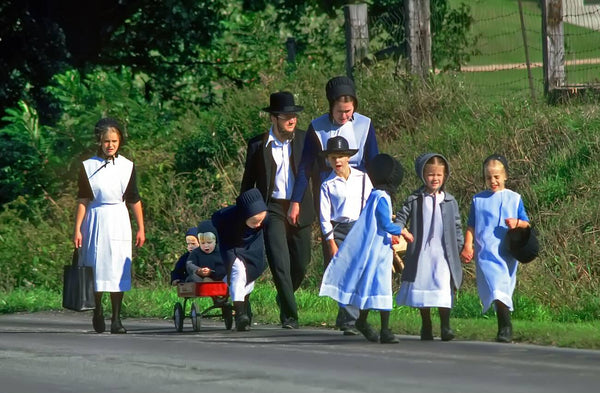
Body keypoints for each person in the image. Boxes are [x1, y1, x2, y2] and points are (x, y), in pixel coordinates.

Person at [288, 75, 379, 334]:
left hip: (360, 195)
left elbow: (373, 161)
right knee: (338, 260)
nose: (344, 116)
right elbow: (305, 166)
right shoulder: (317, 128)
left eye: (349, 111)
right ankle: (349, 316)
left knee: (359, 263)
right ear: (330, 107)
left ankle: (348, 317)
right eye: (340, 111)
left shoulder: (365, 125)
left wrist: (381, 200)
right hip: (331, 197)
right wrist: (296, 201)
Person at [240, 91, 314, 329]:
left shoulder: (305, 140)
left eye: (294, 116)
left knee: (301, 262)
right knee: (280, 263)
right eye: (285, 116)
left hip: (300, 205)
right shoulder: (258, 144)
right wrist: (246, 212)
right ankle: (290, 317)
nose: (291, 120)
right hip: (271, 208)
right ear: (273, 118)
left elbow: (316, 176)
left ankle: (284, 295)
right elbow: (247, 183)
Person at [319, 153, 404, 344]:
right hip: (379, 251)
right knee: (382, 288)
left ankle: (365, 322)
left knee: (370, 286)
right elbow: (385, 223)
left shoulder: (374, 194)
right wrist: (402, 231)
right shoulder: (382, 197)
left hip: (375, 248)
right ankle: (385, 330)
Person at [73, 117, 145, 334]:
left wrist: (141, 227)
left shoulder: (127, 166)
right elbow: (83, 200)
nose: (110, 145)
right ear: (99, 142)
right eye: (106, 141)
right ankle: (97, 311)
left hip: (119, 219)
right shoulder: (88, 167)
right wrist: (77, 229)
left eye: (114, 141)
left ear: (119, 141)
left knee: (116, 269)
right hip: (95, 220)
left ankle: (116, 318)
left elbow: (133, 198)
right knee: (96, 267)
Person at [460, 154, 531, 343]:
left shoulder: (514, 199)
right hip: (486, 253)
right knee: (497, 287)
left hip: (507, 253)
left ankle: (504, 324)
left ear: (505, 176)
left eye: (497, 177)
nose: (493, 181)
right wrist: (468, 245)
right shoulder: (478, 200)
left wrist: (517, 222)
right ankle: (505, 328)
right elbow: (471, 226)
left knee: (504, 288)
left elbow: (527, 224)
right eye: (489, 177)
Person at [394, 153, 464, 341]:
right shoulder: (415, 199)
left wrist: (460, 246)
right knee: (423, 285)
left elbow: (457, 226)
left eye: (439, 175)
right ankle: (426, 325)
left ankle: (446, 327)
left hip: (443, 253)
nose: (435, 179)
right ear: (422, 175)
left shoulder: (449, 201)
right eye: (431, 174)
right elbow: (401, 216)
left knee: (443, 286)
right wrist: (399, 230)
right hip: (422, 252)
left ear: (445, 176)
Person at [212, 188, 268, 332]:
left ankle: (242, 304)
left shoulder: (264, 219)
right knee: (238, 271)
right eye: (255, 222)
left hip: (252, 248)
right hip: (231, 247)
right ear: (244, 216)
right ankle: (240, 314)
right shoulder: (227, 217)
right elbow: (215, 219)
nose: (259, 225)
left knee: (248, 276)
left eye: (261, 221)